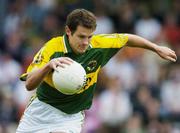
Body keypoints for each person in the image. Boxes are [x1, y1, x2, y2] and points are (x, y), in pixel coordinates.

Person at [16, 9, 177, 133]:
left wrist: (156, 48)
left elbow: (127, 38)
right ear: (68, 31)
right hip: (41, 111)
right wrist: (48, 66)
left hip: (70, 116)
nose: (86, 42)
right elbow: (29, 84)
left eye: (90, 36)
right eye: (81, 37)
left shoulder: (98, 45)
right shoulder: (52, 48)